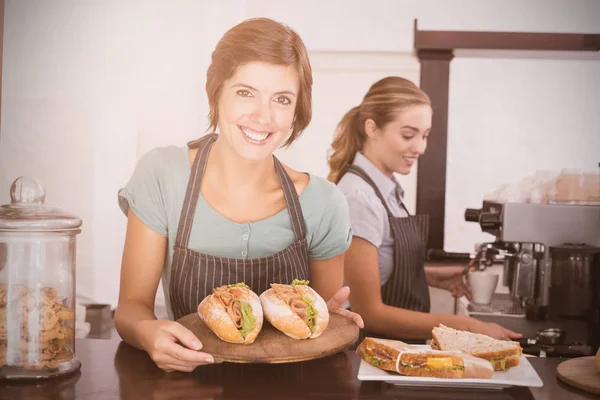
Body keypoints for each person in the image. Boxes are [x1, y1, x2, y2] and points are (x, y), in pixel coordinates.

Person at [115, 17, 363, 372]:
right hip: (189, 384)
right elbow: (130, 308)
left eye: (281, 99)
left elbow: (321, 325)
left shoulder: (323, 203)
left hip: (292, 391)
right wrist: (147, 333)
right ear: (215, 92)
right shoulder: (162, 175)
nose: (262, 117)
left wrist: (332, 318)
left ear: (297, 111)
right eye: (245, 92)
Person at [328, 76, 521, 342]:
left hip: (392, 347)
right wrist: (467, 326)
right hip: (366, 351)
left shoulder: (385, 189)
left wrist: (427, 276)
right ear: (372, 128)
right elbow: (368, 312)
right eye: (408, 135)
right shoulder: (359, 197)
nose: (419, 147)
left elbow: (378, 268)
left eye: (425, 135)